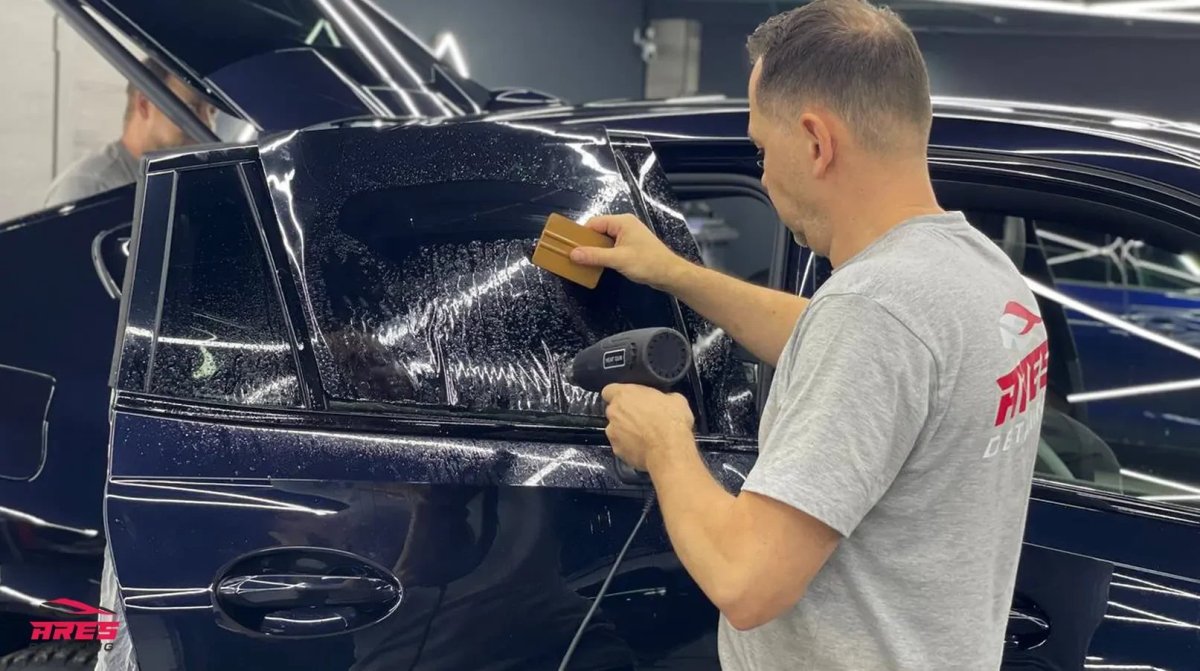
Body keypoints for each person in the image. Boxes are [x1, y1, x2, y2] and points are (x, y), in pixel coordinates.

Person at [569, 1, 1048, 669]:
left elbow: (746, 579)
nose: (764, 174)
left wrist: (665, 442)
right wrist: (674, 273)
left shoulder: (874, 313)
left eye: (763, 149)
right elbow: (833, 341)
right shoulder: (981, 274)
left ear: (817, 143)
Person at [44, 59, 212, 207]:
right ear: (144, 105)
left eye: (212, 112)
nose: (208, 125)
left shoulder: (179, 183)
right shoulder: (89, 188)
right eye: (191, 109)